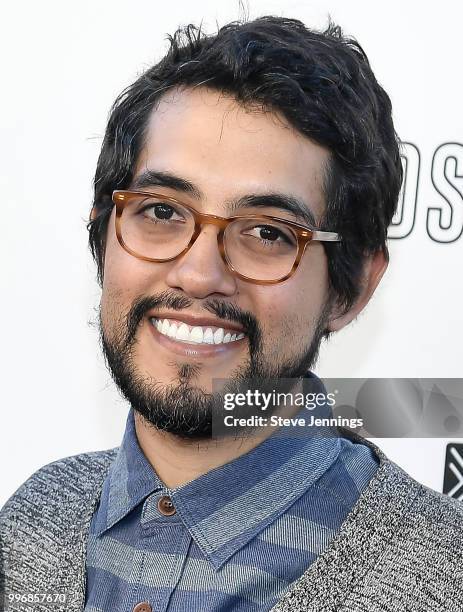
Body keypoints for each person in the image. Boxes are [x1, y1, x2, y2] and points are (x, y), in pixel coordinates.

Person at [1, 15, 462, 612]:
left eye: (267, 232)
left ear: (352, 290)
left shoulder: (440, 577)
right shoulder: (36, 517)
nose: (198, 273)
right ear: (103, 233)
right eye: (162, 212)